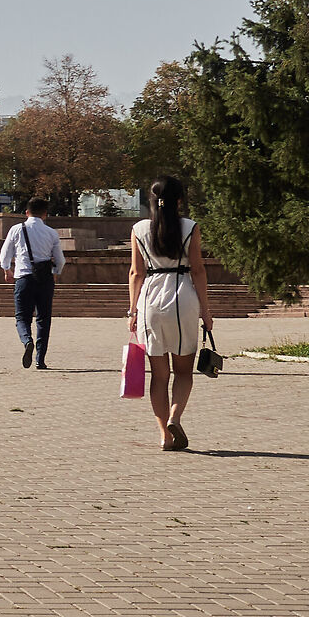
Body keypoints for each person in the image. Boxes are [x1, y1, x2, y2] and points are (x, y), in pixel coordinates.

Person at [128, 174, 212, 451]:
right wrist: (207, 312)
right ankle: (176, 416)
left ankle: (164, 433)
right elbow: (198, 269)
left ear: (151, 201)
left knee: (159, 374)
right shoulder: (190, 227)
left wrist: (132, 311)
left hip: (150, 299)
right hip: (183, 298)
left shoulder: (139, 229)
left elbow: (136, 273)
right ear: (179, 200)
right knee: (184, 371)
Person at [0, 197, 65, 369]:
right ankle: (40, 360)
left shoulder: (16, 229)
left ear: (26, 212)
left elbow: (5, 253)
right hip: (45, 280)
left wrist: (7, 269)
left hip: (24, 279)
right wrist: (56, 272)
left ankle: (27, 340)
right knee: (43, 319)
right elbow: (60, 260)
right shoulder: (51, 233)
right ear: (45, 214)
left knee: (22, 317)